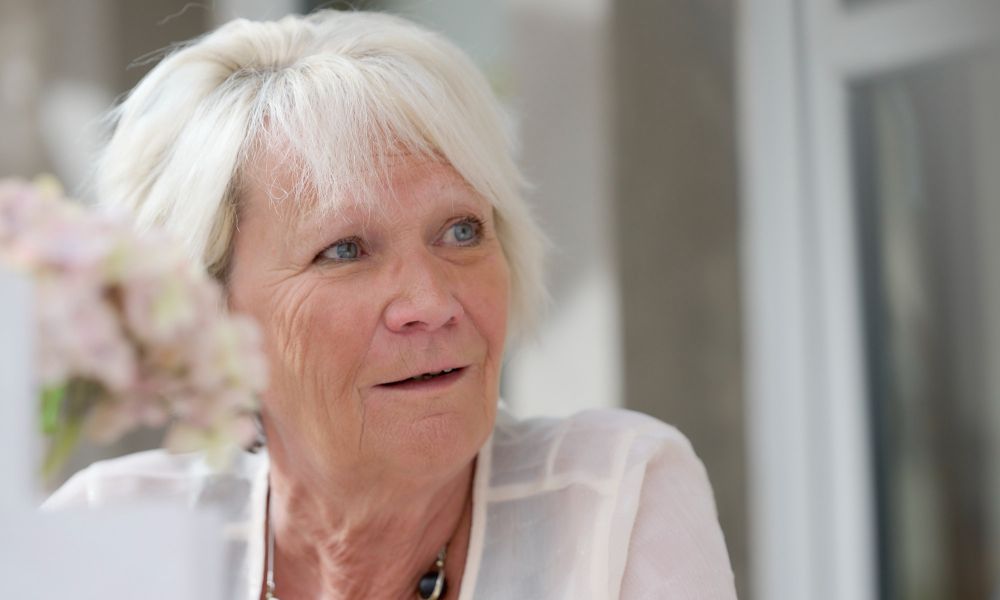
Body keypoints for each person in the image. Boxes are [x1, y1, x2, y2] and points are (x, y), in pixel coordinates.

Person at [45, 10, 737, 599]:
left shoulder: (611, 503)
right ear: (210, 317)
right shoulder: (108, 540)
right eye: (345, 250)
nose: (432, 302)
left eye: (462, 231)